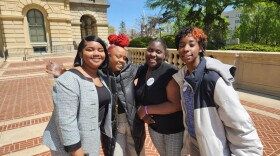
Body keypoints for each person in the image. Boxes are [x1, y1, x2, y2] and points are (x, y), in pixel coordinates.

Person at [172, 25, 263, 156]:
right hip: (194, 143)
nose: (186, 49)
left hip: (214, 149)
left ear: (201, 47)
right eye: (181, 45)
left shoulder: (213, 79)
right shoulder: (183, 78)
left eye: (191, 44)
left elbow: (240, 124)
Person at [42, 35, 113, 156]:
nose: (96, 53)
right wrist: (76, 151)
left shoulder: (99, 75)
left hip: (91, 135)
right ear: (80, 54)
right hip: (69, 146)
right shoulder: (68, 80)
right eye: (90, 50)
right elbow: (65, 120)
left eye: (101, 50)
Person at [135, 38, 185, 156]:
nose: (153, 54)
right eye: (150, 50)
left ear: (165, 55)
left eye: (158, 52)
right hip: (154, 128)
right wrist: (140, 111)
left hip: (173, 130)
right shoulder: (142, 70)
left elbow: (176, 105)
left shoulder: (170, 73)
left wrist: (146, 109)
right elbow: (138, 95)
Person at [100, 34, 145, 156]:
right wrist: (63, 72)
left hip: (133, 121)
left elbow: (150, 67)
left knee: (136, 152)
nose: (122, 61)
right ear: (108, 56)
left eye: (124, 58)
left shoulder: (131, 70)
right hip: (113, 124)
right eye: (118, 57)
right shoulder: (99, 73)